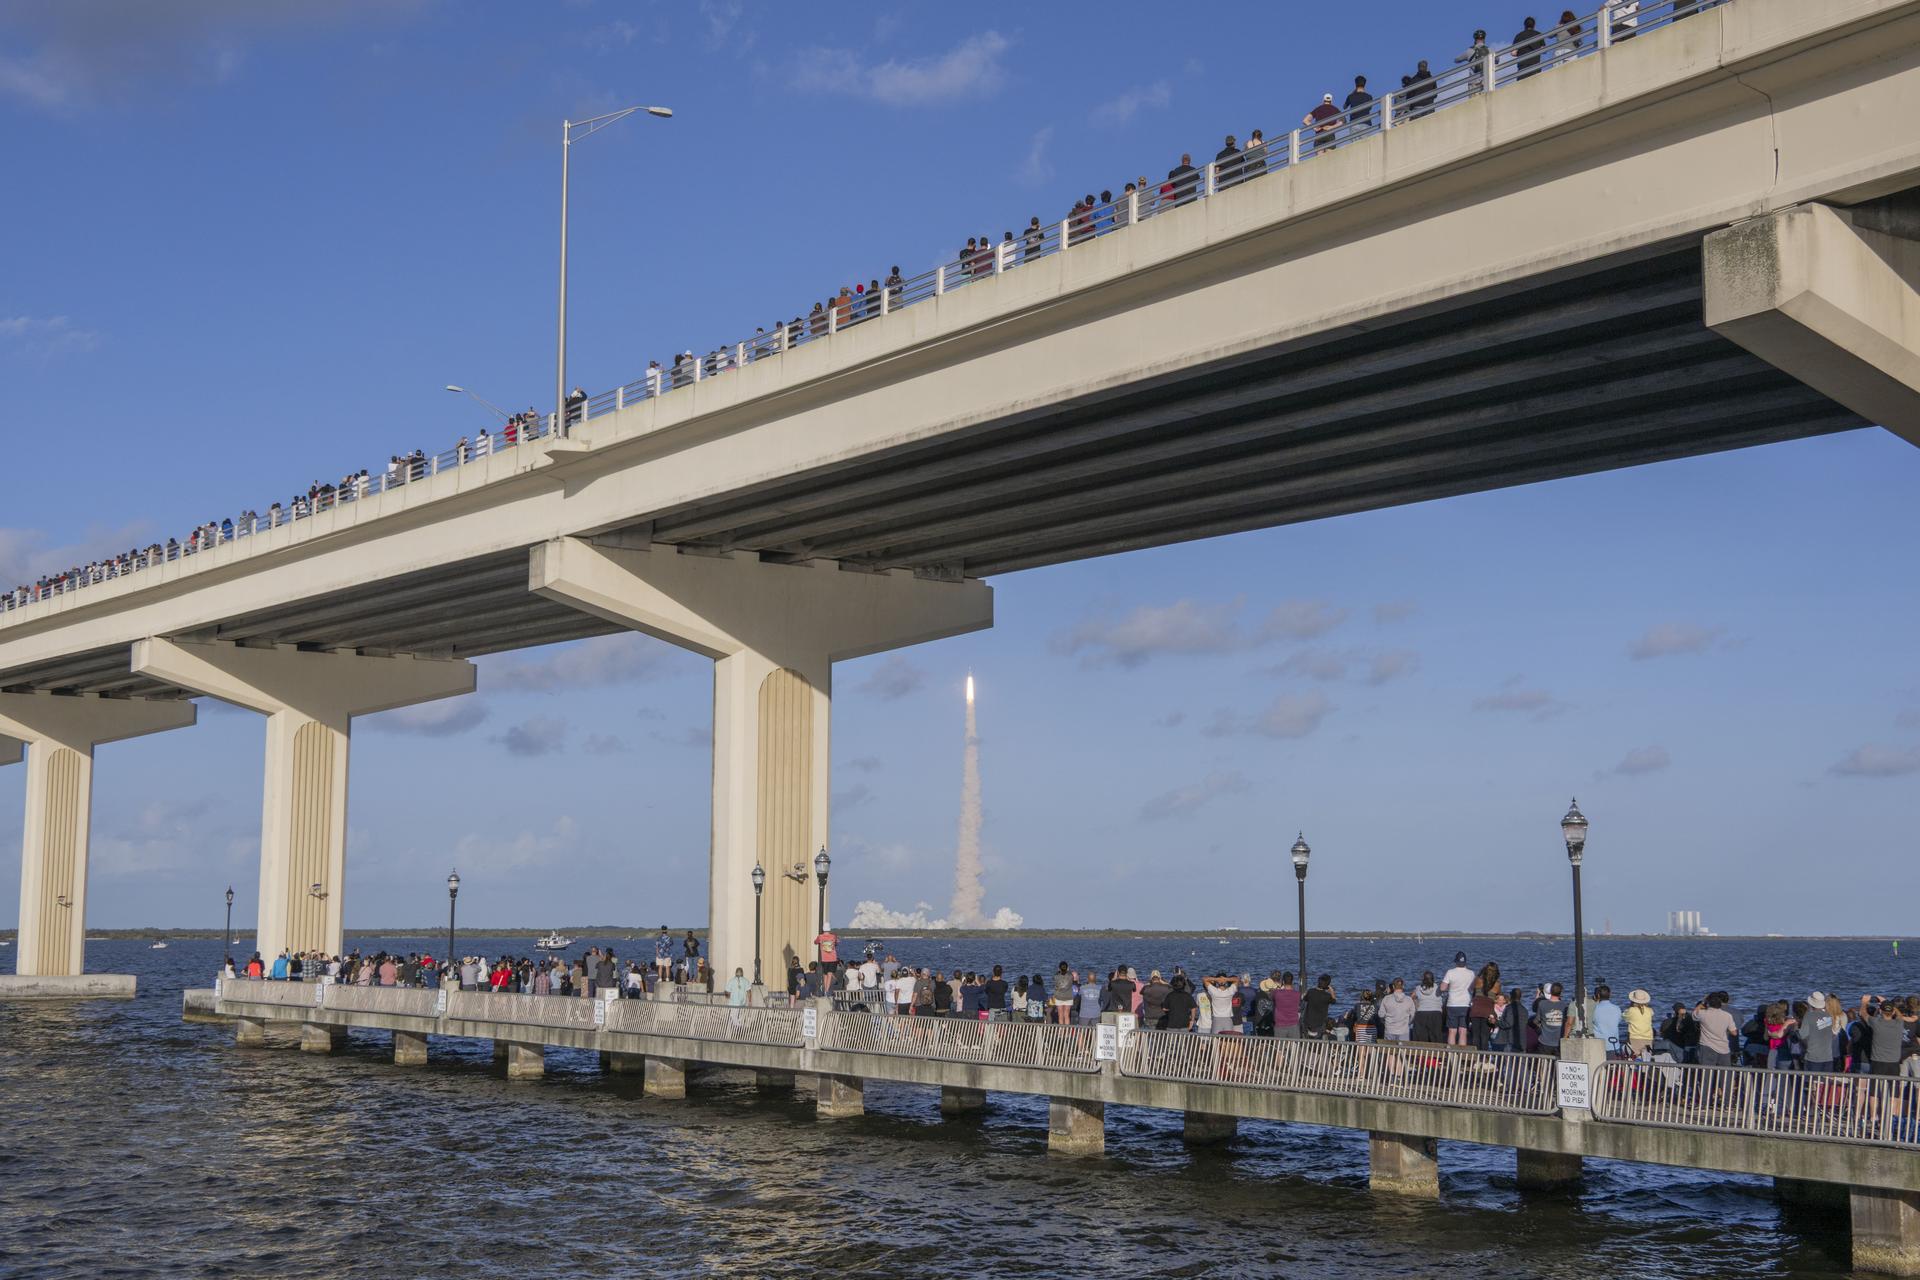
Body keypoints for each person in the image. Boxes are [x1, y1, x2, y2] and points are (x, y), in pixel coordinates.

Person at [1693, 991, 1739, 1068]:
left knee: (1707, 1073)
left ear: (1709, 1003)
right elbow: (1734, 1033)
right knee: (1724, 1074)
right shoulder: (1727, 1016)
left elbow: (1694, 1014)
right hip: (1723, 1047)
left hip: (1707, 1046)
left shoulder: (1702, 1013)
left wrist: (1703, 1001)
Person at [1441, 952, 1475, 1046]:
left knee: (1452, 1031)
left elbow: (1442, 988)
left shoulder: (1450, 972)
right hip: (1466, 1004)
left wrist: (1451, 987)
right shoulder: (1471, 973)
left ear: (1456, 961)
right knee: (1463, 1031)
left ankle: (1452, 1056)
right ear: (1465, 962)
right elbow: (1472, 988)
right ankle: (1461, 1056)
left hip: (1452, 1004)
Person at [1533, 982, 1567, 1054]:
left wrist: (1541, 1026)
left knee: (1542, 1063)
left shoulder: (1542, 1004)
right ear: (1561, 993)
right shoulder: (1564, 1005)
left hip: (1544, 1041)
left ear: (1550, 991)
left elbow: (1536, 1021)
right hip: (1559, 1042)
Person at [1380, 977, 1416, 1043]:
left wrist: (1386, 1023)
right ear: (1403, 986)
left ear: (1393, 986)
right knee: (1402, 1052)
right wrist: (1408, 1023)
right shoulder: (1409, 1000)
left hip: (1389, 1030)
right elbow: (1413, 1015)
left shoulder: (1386, 999)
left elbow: (1381, 1015)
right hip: (1404, 1031)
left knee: (1389, 1052)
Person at [1590, 984, 1623, 1054]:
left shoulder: (1594, 1009)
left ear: (1598, 996)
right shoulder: (1617, 1008)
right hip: (1614, 1044)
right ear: (1610, 995)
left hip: (1599, 1045)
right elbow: (1618, 1021)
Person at [1302, 974, 1337, 1039]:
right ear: (1327, 985)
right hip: (1320, 1025)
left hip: (1307, 1023)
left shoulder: (1310, 992)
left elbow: (1304, 998)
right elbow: (1334, 1000)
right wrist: (1331, 990)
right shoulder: (1327, 996)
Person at [1624, 989, 1655, 1057]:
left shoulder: (1631, 1010)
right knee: (1646, 1057)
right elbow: (1651, 1015)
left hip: (1635, 1037)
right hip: (1648, 1038)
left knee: (1636, 1057)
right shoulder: (1650, 1010)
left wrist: (1630, 1007)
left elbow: (1624, 1017)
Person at [1272, 971, 1303, 1039]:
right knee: (1295, 1047)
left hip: (1280, 1024)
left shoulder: (1277, 993)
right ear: (1292, 981)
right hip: (1293, 1024)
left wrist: (1280, 987)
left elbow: (1272, 998)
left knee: (1279, 1048)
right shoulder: (1297, 994)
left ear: (1283, 981)